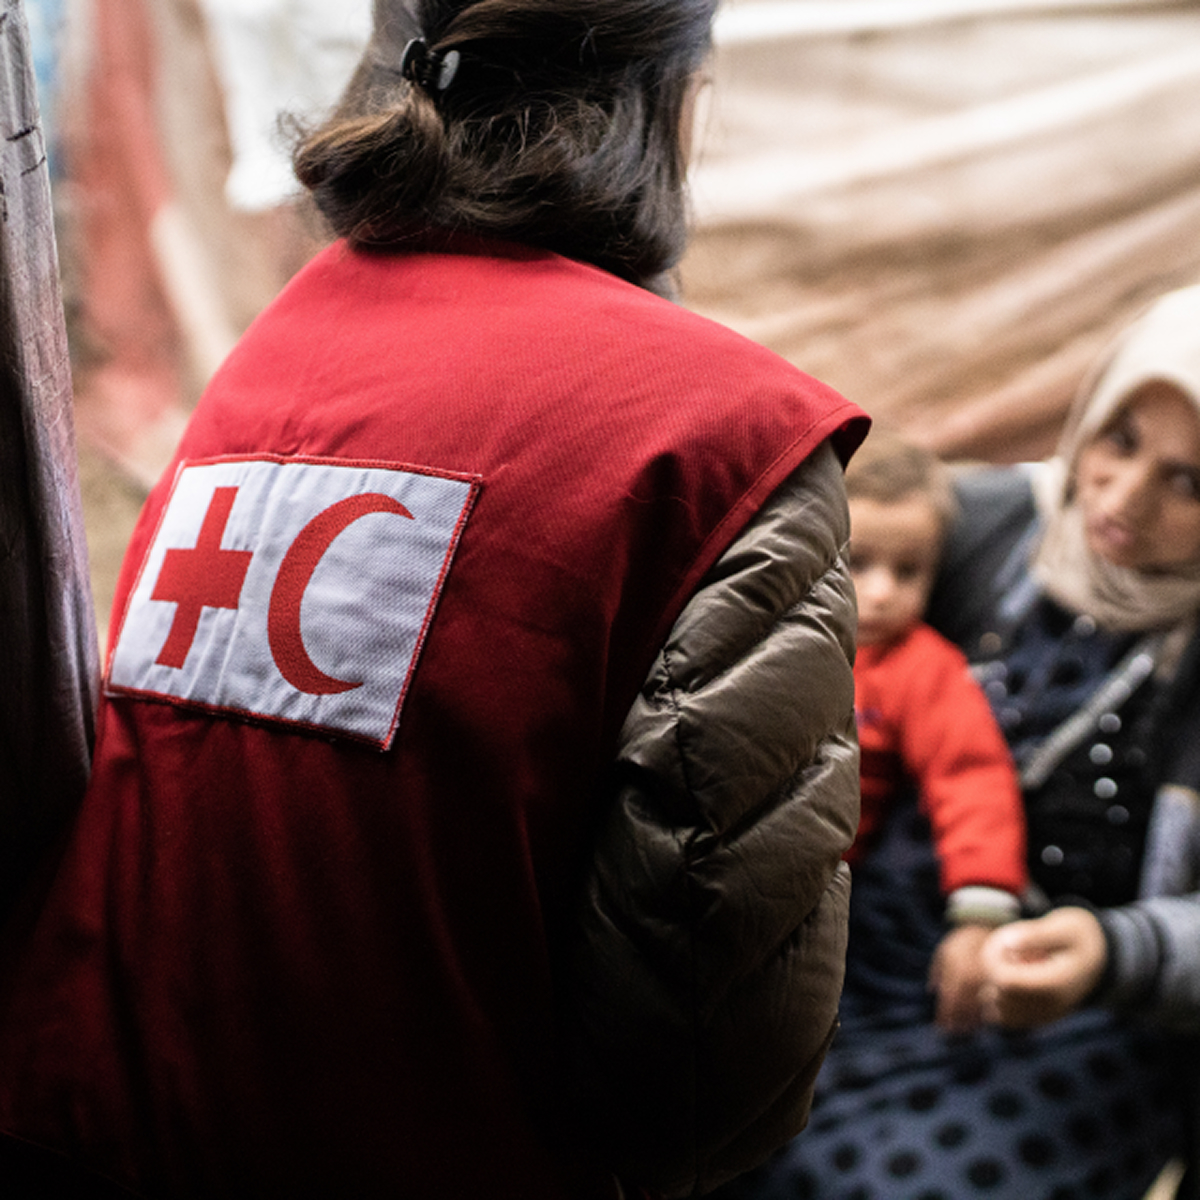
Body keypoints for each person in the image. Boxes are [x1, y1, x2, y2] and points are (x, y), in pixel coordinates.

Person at [0, 0, 867, 1197]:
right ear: (674, 103)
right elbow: (707, 1067)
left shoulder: (277, 349)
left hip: (74, 1123)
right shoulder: (722, 437)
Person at [714, 283, 1200, 1200]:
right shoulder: (989, 526)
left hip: (1074, 1012)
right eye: (1120, 439)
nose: (1125, 498)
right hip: (863, 936)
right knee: (706, 1123)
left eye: (1189, 482)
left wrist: (1117, 952)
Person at [843, 430, 1027, 1033]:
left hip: (822, 890)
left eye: (909, 571)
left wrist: (981, 909)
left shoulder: (922, 667)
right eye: (856, 562)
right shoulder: (766, 627)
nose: (881, 593)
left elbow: (971, 777)